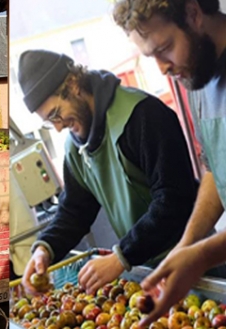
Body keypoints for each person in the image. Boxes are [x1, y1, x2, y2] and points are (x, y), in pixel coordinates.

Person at [17, 49, 200, 297]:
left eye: (56, 114)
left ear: (73, 84)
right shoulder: (75, 146)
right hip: (143, 271)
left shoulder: (144, 115)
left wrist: (120, 257)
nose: (58, 128)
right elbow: (74, 211)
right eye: (50, 122)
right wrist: (44, 249)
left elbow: (174, 200)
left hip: (193, 261)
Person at [112, 0, 226, 326]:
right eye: (152, 56)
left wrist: (202, 255)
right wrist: (186, 245)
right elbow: (213, 170)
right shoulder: (200, 78)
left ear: (193, 12)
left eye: (164, 48)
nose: (162, 68)